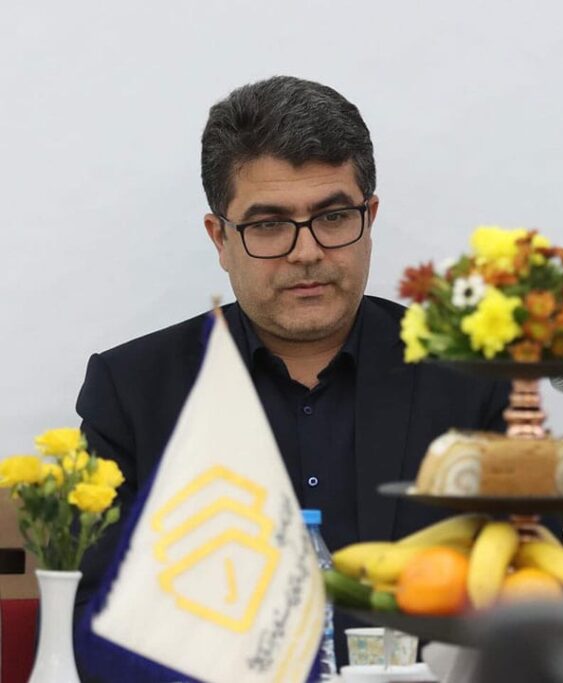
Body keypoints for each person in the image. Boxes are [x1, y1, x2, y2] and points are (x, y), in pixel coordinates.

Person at [74, 76, 509, 663]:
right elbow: (94, 622)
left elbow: (533, 607)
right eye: (269, 225)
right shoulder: (133, 393)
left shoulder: (470, 381)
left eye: (333, 217)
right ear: (220, 238)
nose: (307, 252)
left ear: (369, 218)